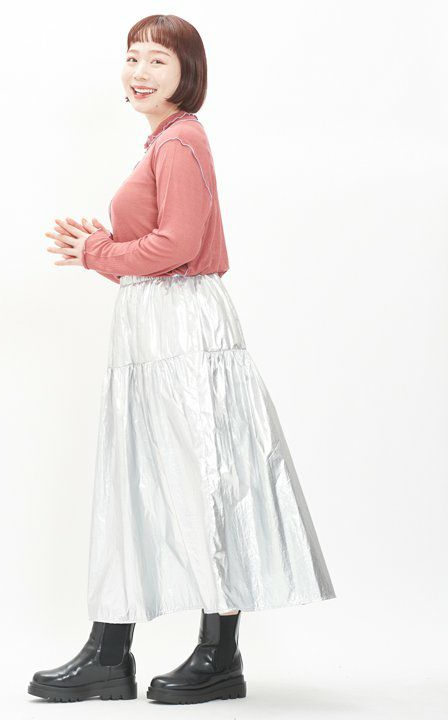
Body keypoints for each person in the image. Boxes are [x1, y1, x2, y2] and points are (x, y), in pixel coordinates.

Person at [28, 14, 336, 705]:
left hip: (183, 330)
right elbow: (158, 255)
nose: (139, 72)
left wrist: (98, 251)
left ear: (186, 73)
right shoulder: (161, 143)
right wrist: (100, 252)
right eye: (132, 57)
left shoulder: (181, 140)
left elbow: (179, 246)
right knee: (136, 476)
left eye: (157, 61)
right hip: (153, 326)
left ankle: (216, 655)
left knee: (203, 476)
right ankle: (110, 652)